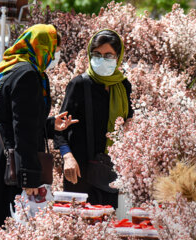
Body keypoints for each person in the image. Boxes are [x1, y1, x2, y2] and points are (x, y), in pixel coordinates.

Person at [0, 24, 78, 239]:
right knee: (13, 228)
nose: (55, 55)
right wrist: (28, 179)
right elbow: (23, 131)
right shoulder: (28, 76)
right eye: (54, 48)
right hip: (14, 170)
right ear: (42, 47)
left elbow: (8, 121)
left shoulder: (0, 70)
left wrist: (49, 125)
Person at [54, 29, 133, 208]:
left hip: (111, 174)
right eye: (97, 54)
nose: (101, 59)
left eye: (108, 55)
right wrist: (67, 157)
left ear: (118, 57)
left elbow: (130, 121)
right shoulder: (79, 84)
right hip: (80, 173)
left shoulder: (123, 86)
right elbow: (60, 128)